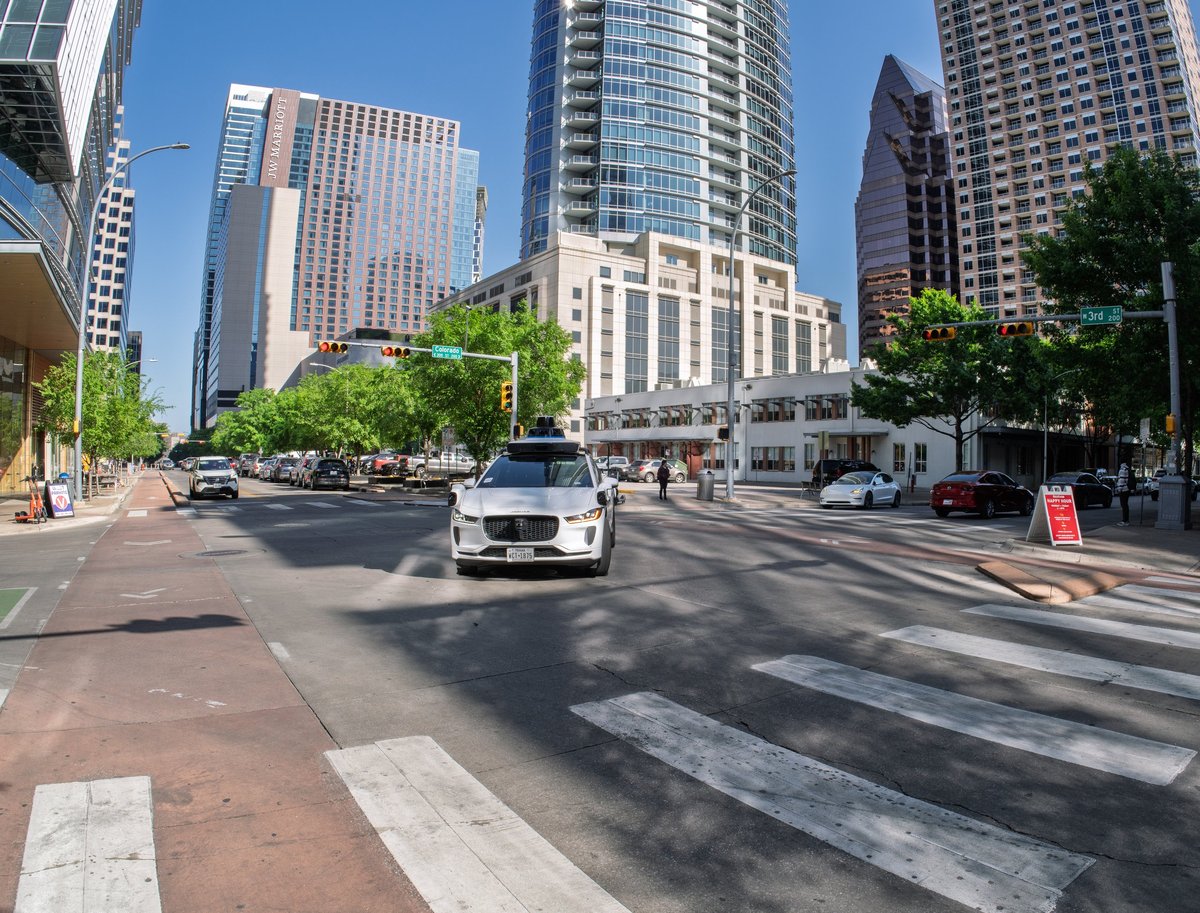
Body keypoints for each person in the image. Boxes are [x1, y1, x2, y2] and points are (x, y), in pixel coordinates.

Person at [1116, 461, 1131, 526]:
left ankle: (1124, 521)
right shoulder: (1127, 469)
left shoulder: (1122, 470)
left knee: (1124, 505)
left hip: (1123, 490)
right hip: (1127, 489)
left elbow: (1121, 480)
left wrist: (1119, 489)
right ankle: (1126, 520)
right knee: (1125, 505)